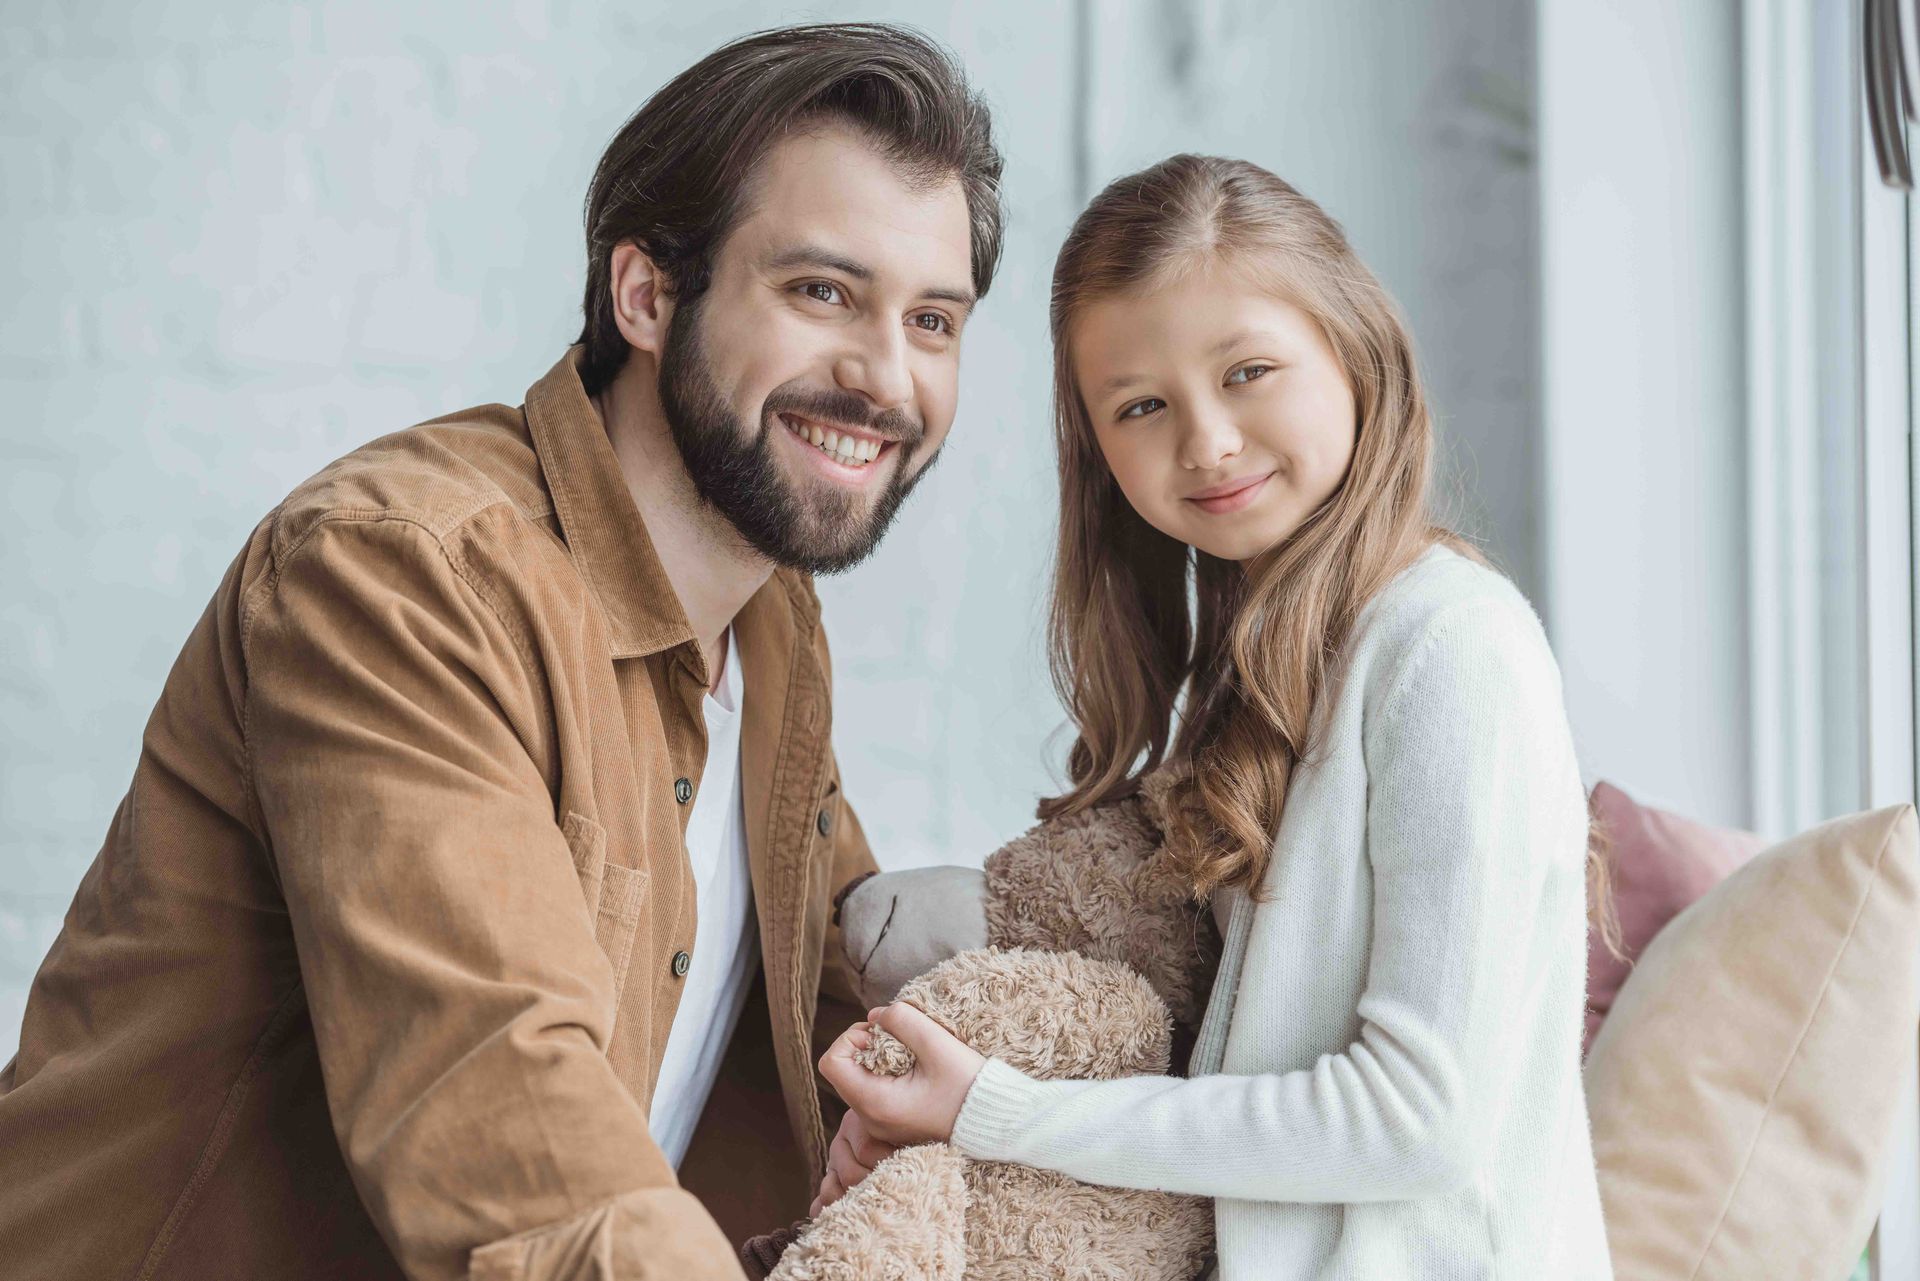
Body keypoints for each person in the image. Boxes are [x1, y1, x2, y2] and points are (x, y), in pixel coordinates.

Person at [0, 23, 1003, 1281]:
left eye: (933, 321)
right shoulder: (401, 577)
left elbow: (840, 999)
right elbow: (498, 1096)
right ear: (646, 295)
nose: (885, 376)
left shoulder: (769, 623)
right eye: (822, 292)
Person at [818, 154, 1614, 1279]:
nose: (1206, 443)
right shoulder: (1264, 676)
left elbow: (1416, 1121)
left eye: (1248, 371)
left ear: (1355, 350)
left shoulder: (1450, 647)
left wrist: (993, 1112)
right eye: (1141, 406)